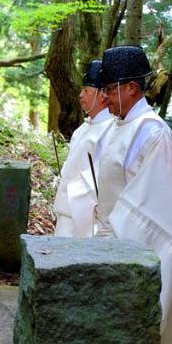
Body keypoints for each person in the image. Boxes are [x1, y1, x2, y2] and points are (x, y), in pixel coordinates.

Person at [96, 46, 172, 344]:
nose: (104, 98)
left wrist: (111, 227)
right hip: (107, 242)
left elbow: (153, 209)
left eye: (108, 90)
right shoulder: (116, 127)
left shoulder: (154, 133)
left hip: (134, 248)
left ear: (131, 88)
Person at [53, 60, 113, 238]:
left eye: (86, 90)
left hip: (86, 215)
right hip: (65, 210)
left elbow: (106, 175)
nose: (80, 95)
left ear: (102, 95)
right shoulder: (82, 129)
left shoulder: (111, 130)